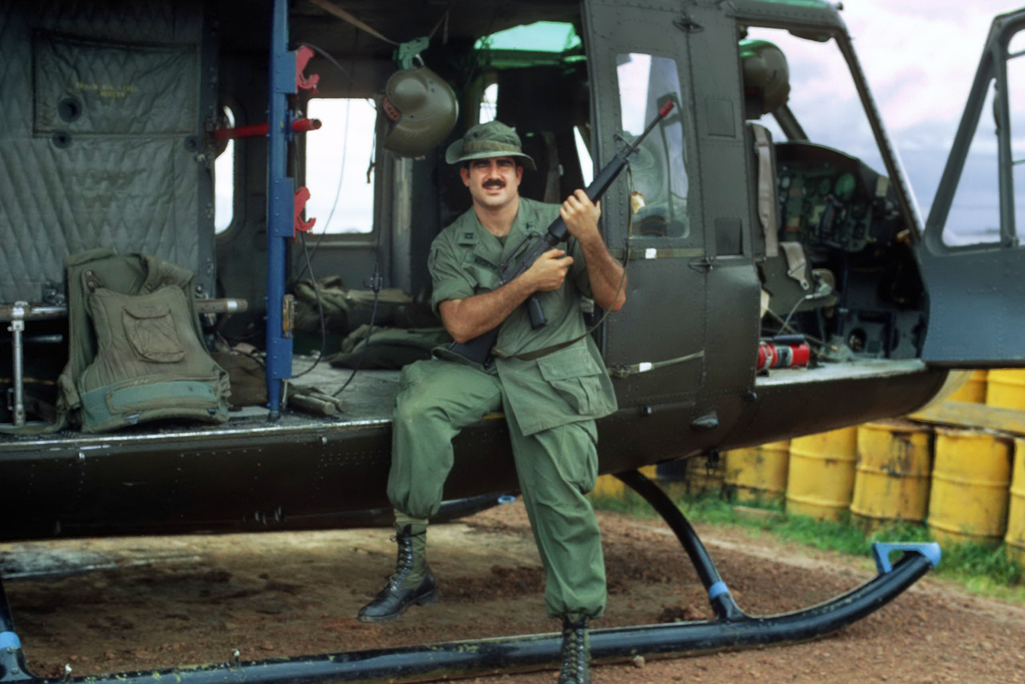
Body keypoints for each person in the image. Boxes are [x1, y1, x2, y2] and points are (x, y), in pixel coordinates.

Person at [358, 120, 626, 684]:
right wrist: (526, 282)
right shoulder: (451, 243)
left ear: (519, 173)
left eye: (504, 164)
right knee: (419, 409)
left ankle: (576, 637)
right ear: (466, 177)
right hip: (482, 364)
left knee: (561, 502)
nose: (494, 174)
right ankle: (413, 566)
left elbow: (613, 297)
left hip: (554, 367)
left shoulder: (565, 221)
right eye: (482, 166)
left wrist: (592, 238)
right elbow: (459, 325)